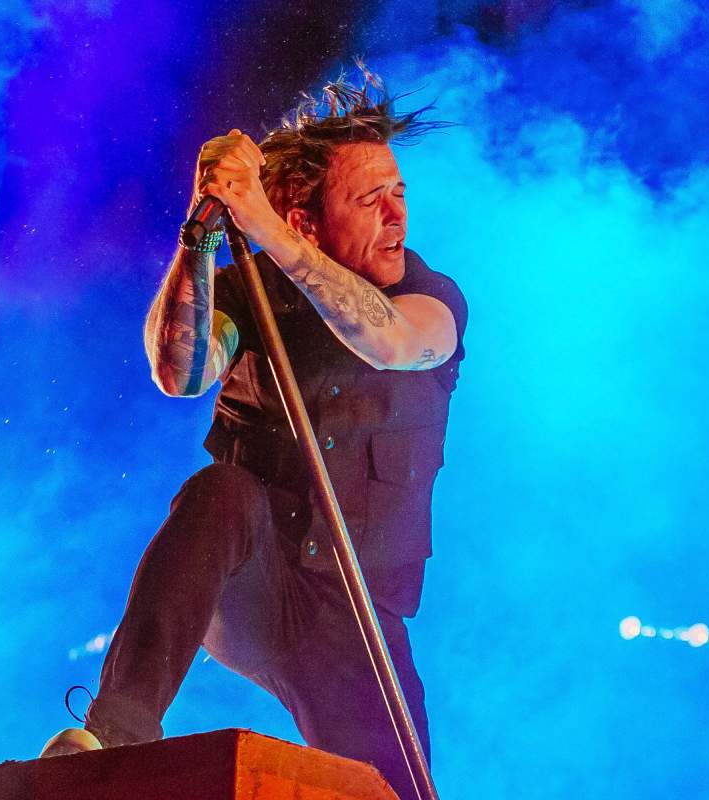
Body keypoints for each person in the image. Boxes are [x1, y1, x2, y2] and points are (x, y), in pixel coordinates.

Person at [41, 69, 467, 800]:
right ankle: (114, 734)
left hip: (356, 616)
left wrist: (259, 218)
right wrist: (204, 233)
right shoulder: (247, 295)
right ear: (307, 221)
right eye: (371, 200)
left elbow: (395, 344)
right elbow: (179, 374)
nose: (398, 217)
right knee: (221, 492)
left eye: (400, 194)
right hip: (256, 586)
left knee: (394, 788)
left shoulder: (427, 296)